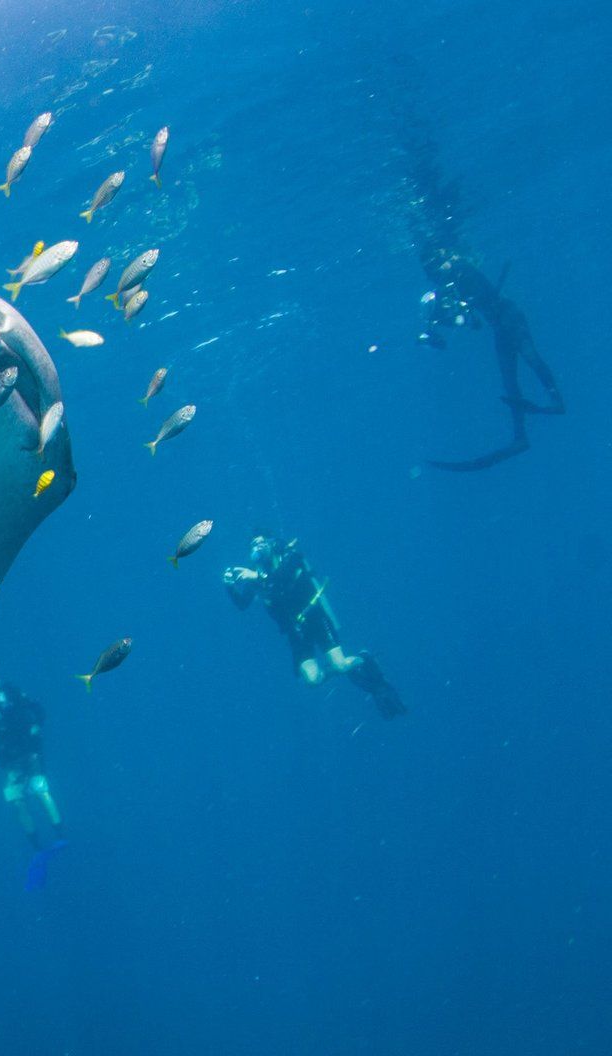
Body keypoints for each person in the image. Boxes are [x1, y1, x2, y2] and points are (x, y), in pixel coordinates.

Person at [408, 138, 564, 470]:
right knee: (510, 382)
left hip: (509, 317)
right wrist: (448, 318)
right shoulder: (451, 280)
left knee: (530, 357)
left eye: (434, 266)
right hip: (499, 324)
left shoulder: (461, 269)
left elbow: (481, 298)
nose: (434, 273)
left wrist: (457, 307)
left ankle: (555, 401)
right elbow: (474, 322)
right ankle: (520, 435)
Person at [223, 535, 406, 718]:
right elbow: (242, 604)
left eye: (262, 542)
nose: (258, 547)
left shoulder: (290, 557)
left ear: (271, 544)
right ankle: (342, 667)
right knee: (312, 680)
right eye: (254, 545)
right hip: (295, 631)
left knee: (341, 665)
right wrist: (230, 587)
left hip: (316, 618)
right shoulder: (256, 576)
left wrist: (256, 576)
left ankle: (363, 659)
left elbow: (283, 578)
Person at [0, 668, 64, 853]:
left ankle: (60, 835)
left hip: (29, 750)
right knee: (16, 800)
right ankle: (37, 846)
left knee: (40, 788)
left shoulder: (13, 692)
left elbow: (38, 711)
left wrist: (35, 728)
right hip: (7, 758)